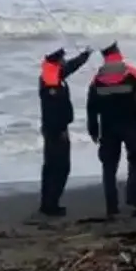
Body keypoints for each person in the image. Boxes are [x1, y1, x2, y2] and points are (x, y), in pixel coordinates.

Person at [86, 41, 136, 218]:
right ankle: (132, 196)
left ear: (105, 57)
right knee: (135, 160)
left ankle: (111, 207)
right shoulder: (130, 72)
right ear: (117, 52)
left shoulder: (97, 78)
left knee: (109, 167)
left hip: (108, 129)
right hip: (129, 126)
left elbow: (91, 107)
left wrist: (93, 130)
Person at [38, 45, 93, 217]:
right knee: (60, 168)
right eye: (62, 59)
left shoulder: (52, 75)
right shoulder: (51, 82)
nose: (64, 62)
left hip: (53, 129)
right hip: (56, 130)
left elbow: (69, 67)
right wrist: (60, 129)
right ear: (57, 61)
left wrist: (84, 56)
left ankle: (48, 203)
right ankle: (51, 205)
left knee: (50, 167)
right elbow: (53, 110)